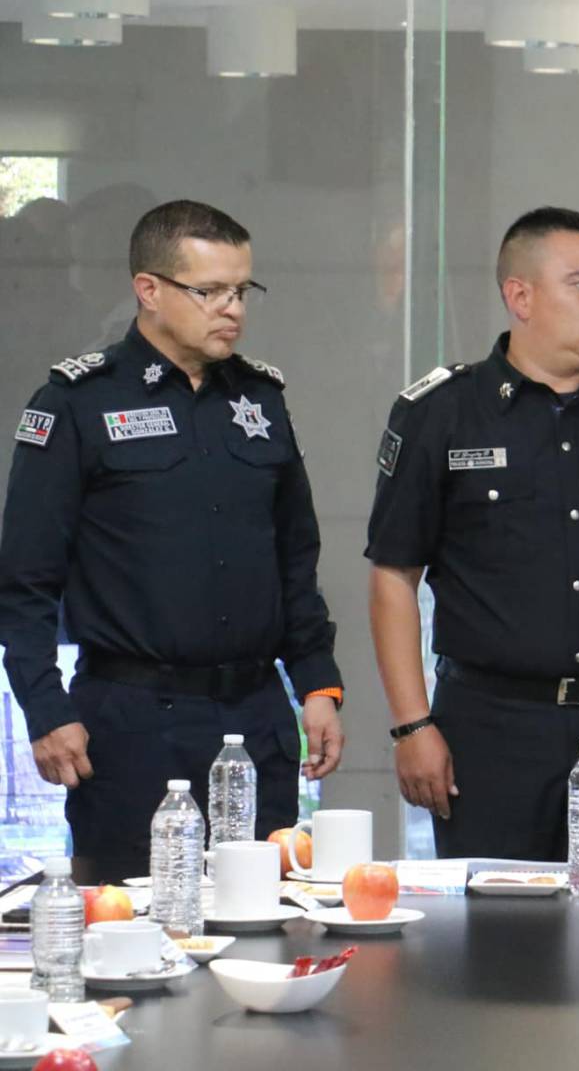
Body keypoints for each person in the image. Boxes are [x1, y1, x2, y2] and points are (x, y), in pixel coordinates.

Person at [0, 200, 344, 875]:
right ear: (149, 290)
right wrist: (45, 706)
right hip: (132, 725)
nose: (232, 309)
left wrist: (318, 687)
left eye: (242, 290)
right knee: (134, 933)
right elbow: (24, 581)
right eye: (210, 291)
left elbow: (294, 562)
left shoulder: (261, 401)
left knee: (266, 930)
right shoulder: (78, 403)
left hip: (255, 719)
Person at [366, 206, 579, 862]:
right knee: (496, 947)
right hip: (490, 726)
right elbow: (393, 576)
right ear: (519, 296)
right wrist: (412, 724)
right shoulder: (441, 416)